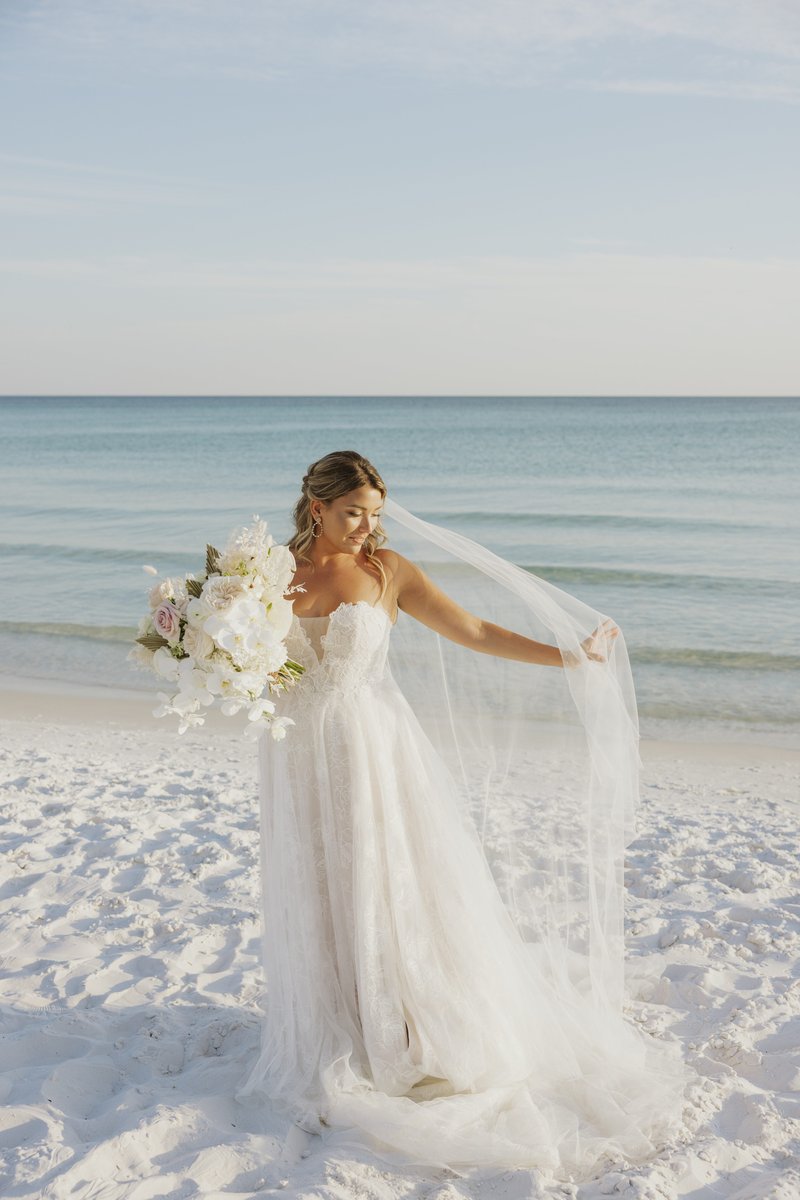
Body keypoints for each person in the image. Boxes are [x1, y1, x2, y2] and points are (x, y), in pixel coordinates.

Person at [235, 450, 694, 1182]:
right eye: (354, 513)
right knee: (318, 881)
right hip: (293, 754)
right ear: (315, 506)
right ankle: (341, 1016)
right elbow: (240, 653)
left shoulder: (389, 572)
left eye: (376, 514)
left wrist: (569, 658)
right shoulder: (258, 574)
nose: (366, 527)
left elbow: (473, 630)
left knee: (386, 880)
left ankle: (409, 1020)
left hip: (371, 750)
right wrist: (206, 653)